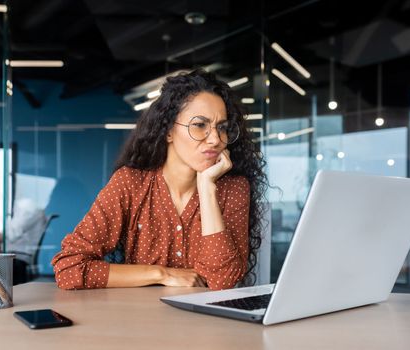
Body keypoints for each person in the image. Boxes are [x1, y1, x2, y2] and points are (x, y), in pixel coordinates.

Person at [51, 69, 267, 291]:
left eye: (222, 128)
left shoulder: (234, 188)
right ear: (168, 131)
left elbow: (222, 281)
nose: (215, 139)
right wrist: (161, 274)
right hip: (141, 322)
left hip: (207, 324)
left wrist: (207, 189)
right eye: (200, 125)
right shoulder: (130, 184)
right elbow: (69, 269)